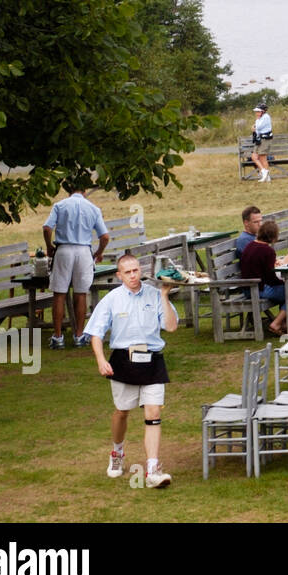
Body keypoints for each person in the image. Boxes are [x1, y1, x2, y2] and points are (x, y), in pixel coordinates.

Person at [84, 253, 177, 488]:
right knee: (122, 412)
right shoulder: (112, 299)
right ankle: (117, 453)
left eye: (136, 270)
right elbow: (95, 333)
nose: (133, 276)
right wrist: (100, 360)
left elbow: (171, 326)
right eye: (128, 272)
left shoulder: (154, 294)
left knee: (153, 413)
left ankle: (153, 469)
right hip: (123, 360)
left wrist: (165, 295)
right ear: (119, 275)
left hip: (153, 360)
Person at [42, 176, 110, 349]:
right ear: (85, 191)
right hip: (83, 252)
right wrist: (99, 252)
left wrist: (49, 246)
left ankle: (58, 337)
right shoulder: (93, 208)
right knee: (80, 293)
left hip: (64, 249)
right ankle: (79, 335)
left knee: (59, 293)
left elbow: (47, 227)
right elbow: (105, 236)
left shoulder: (60, 205)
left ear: (69, 190)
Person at [240, 220, 288, 336]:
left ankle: (285, 324)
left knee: (286, 290)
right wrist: (284, 282)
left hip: (247, 288)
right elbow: (270, 278)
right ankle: (276, 323)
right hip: (259, 289)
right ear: (274, 237)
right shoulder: (268, 251)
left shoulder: (250, 245)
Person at [250, 103, 273, 182]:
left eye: (258, 111)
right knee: (254, 156)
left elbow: (258, 127)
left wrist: (254, 127)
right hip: (259, 139)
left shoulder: (265, 117)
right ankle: (264, 171)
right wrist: (255, 127)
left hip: (265, 139)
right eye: (256, 112)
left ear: (263, 111)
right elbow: (257, 128)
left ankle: (266, 176)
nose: (256, 113)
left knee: (263, 158)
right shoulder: (259, 118)